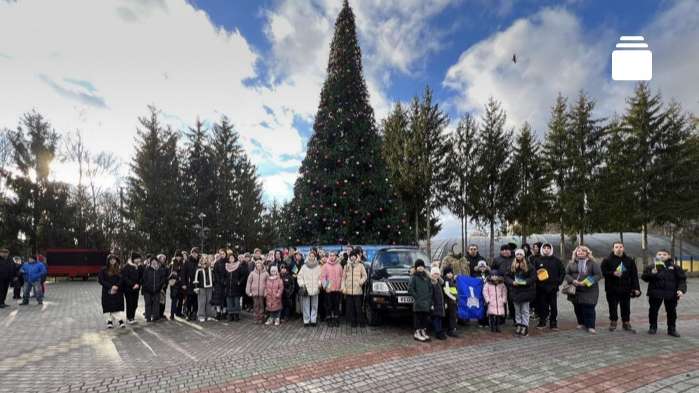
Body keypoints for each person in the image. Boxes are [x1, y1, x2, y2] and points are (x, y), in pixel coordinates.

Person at [642, 249, 687, 337]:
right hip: (655, 293)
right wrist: (652, 273)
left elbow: (682, 279)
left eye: (664, 254)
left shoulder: (675, 267)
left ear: (669, 256)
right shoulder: (651, 266)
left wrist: (681, 290)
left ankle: (671, 329)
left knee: (671, 312)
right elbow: (644, 278)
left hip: (671, 293)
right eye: (659, 254)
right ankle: (653, 327)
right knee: (653, 311)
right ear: (656, 256)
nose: (661, 256)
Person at [600, 242, 641, 333]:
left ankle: (626, 323)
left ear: (623, 248)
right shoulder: (606, 260)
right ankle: (613, 322)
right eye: (616, 247)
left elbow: (634, 275)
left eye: (620, 247)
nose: (619, 249)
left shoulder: (629, 260)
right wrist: (613, 273)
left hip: (626, 288)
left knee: (626, 307)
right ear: (613, 249)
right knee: (612, 306)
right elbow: (602, 273)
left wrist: (636, 288)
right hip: (611, 288)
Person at [565, 245, 602, 334]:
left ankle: (591, 326)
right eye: (579, 251)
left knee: (589, 307)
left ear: (587, 253)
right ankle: (581, 323)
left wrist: (586, 282)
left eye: (583, 251)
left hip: (589, 290)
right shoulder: (571, 263)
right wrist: (573, 281)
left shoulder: (592, 263)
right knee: (577, 307)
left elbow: (598, 275)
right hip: (575, 289)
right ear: (576, 253)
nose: (580, 252)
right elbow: (566, 274)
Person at [534, 243, 565, 330]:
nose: (546, 249)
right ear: (542, 250)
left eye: (548, 248)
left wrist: (558, 282)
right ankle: (542, 322)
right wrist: (537, 281)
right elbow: (533, 272)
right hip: (541, 288)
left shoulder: (556, 261)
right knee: (542, 306)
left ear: (551, 249)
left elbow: (562, 272)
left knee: (553, 306)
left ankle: (553, 323)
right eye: (544, 248)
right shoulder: (537, 260)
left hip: (553, 288)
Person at [505, 249, 536, 337]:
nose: (519, 255)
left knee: (525, 310)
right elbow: (507, 276)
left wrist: (526, 282)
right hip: (515, 291)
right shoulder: (512, 265)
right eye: (517, 254)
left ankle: (525, 326)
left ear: (523, 255)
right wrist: (511, 282)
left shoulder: (529, 265)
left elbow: (533, 277)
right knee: (517, 310)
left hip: (526, 291)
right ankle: (518, 325)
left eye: (520, 254)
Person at [341, 248, 367, 328]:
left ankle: (361, 322)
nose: (352, 257)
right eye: (351, 256)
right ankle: (353, 322)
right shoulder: (346, 266)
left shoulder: (360, 265)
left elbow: (365, 276)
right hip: (349, 291)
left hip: (357, 290)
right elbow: (343, 278)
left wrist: (361, 282)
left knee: (358, 307)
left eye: (354, 256)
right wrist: (343, 287)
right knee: (351, 308)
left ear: (356, 257)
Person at [98, 254, 125, 329]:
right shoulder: (103, 269)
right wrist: (111, 286)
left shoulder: (119, 269)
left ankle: (119, 320)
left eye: (114, 259)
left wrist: (117, 286)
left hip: (117, 290)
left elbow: (122, 279)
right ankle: (110, 321)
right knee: (107, 306)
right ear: (108, 261)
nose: (112, 261)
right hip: (107, 291)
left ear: (116, 260)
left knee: (116, 306)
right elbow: (101, 280)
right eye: (111, 259)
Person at [408, 259, 432, 342]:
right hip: (418, 302)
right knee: (418, 318)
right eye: (418, 266)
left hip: (426, 302)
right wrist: (417, 297)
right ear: (416, 268)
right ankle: (417, 332)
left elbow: (430, 288)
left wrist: (429, 299)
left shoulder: (426, 277)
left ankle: (423, 331)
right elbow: (410, 289)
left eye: (422, 266)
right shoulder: (413, 277)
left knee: (425, 318)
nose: (420, 268)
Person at [492, 244, 515, 324]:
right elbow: (493, 270)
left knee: (512, 300)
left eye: (507, 249)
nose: (505, 251)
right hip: (500, 283)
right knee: (501, 301)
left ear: (510, 250)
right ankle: (502, 317)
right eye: (503, 250)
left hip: (512, 283)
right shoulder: (497, 259)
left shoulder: (514, 258)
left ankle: (514, 316)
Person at [297, 252, 322, 327]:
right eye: (310, 256)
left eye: (313, 256)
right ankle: (306, 321)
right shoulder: (304, 266)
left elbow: (321, 277)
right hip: (306, 289)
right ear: (308, 257)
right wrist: (302, 284)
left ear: (315, 257)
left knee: (315, 305)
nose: (311, 257)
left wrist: (319, 284)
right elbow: (299, 276)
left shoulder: (318, 266)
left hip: (315, 288)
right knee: (306, 305)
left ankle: (313, 320)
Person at [142, 256, 168, 322]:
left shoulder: (160, 270)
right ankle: (148, 317)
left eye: (155, 261)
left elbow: (163, 279)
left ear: (157, 262)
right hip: (147, 290)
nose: (154, 262)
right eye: (152, 261)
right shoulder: (147, 269)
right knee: (148, 304)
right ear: (150, 262)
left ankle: (155, 317)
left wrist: (159, 287)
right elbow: (144, 280)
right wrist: (148, 287)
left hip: (157, 290)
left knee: (156, 304)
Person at [321, 251, 343, 327]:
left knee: (336, 305)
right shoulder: (325, 266)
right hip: (329, 289)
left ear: (336, 256)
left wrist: (341, 287)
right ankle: (329, 320)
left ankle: (336, 320)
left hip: (337, 289)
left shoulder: (339, 266)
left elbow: (342, 277)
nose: (332, 257)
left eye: (333, 255)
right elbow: (323, 278)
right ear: (329, 256)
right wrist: (326, 287)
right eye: (331, 255)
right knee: (329, 306)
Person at [223, 253, 247, 322]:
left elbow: (243, 275)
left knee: (236, 302)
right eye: (230, 258)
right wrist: (225, 281)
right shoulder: (226, 266)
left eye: (232, 258)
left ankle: (236, 315)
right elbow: (224, 276)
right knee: (229, 301)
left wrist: (239, 282)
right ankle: (230, 315)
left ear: (235, 258)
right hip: (228, 287)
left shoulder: (238, 266)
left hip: (236, 287)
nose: (231, 259)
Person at [246, 259, 268, 324]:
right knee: (255, 305)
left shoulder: (266, 273)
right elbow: (249, 283)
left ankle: (261, 318)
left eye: (260, 265)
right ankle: (256, 318)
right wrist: (248, 291)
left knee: (261, 305)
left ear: (262, 265)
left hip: (262, 293)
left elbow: (267, 283)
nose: (258, 266)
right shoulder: (252, 273)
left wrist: (266, 292)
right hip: (254, 293)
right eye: (257, 265)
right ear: (255, 266)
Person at [181, 247, 201, 321]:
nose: (194, 254)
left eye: (196, 253)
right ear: (191, 253)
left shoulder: (199, 261)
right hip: (189, 284)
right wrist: (183, 283)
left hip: (197, 285)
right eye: (193, 253)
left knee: (195, 300)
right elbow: (183, 273)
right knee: (188, 300)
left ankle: (194, 313)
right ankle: (188, 313)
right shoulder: (187, 262)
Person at [121, 253, 141, 324]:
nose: (138, 260)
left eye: (139, 258)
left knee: (135, 304)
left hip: (136, 289)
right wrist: (133, 284)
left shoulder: (139, 267)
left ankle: (132, 317)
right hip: (128, 289)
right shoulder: (127, 266)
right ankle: (129, 318)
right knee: (130, 303)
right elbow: (125, 278)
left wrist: (138, 284)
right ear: (133, 259)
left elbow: (141, 277)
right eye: (137, 258)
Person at [194, 255, 215, 322]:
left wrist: (213, 286)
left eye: (206, 259)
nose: (205, 260)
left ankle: (209, 315)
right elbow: (196, 279)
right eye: (203, 259)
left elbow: (213, 278)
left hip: (210, 287)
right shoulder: (198, 269)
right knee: (202, 302)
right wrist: (196, 288)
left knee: (209, 301)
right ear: (201, 260)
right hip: (201, 287)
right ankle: (201, 316)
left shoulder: (211, 268)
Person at [430, 267, 447, 340]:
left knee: (440, 318)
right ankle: (438, 332)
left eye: (437, 274)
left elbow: (443, 294)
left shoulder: (440, 284)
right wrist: (431, 304)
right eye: (434, 274)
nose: (436, 275)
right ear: (432, 275)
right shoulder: (432, 284)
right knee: (436, 318)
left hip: (441, 304)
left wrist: (445, 302)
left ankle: (440, 330)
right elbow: (430, 295)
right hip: (435, 304)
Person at [441, 266, 459, 337]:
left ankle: (452, 329)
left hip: (453, 302)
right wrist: (454, 299)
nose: (450, 274)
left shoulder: (452, 281)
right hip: (449, 302)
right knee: (451, 316)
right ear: (445, 274)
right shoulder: (446, 281)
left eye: (451, 273)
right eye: (448, 273)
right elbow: (447, 292)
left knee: (453, 316)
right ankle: (450, 330)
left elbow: (455, 291)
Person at [211, 252, 229, 320]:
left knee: (225, 299)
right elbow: (215, 273)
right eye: (221, 254)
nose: (222, 255)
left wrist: (225, 281)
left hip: (226, 284)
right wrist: (220, 281)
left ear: (225, 254)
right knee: (218, 299)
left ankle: (224, 313)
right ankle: (218, 313)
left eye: (223, 254)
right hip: (218, 284)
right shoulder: (217, 263)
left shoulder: (228, 262)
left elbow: (229, 272)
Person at [168, 254, 185, 320]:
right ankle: (172, 315)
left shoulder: (182, 264)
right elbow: (170, 275)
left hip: (181, 285)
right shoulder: (172, 264)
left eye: (180, 256)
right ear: (175, 256)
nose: (178, 257)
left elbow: (183, 273)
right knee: (174, 300)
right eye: (177, 256)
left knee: (180, 300)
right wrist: (178, 277)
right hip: (174, 285)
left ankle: (178, 313)